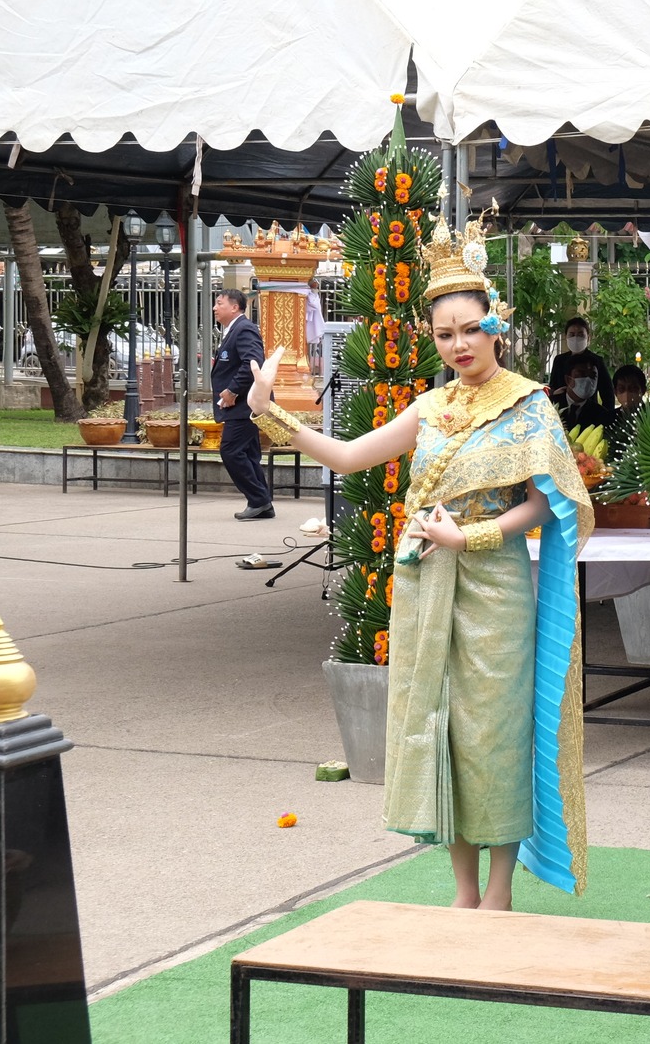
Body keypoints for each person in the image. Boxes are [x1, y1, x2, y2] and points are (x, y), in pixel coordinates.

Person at [244, 218, 591, 912]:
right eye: (444, 334)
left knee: (494, 735)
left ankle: (499, 891)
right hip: (427, 586)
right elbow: (347, 455)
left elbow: (544, 506)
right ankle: (462, 891)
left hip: (493, 590)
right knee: (445, 729)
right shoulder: (428, 408)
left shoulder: (527, 405)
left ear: (495, 325)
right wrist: (269, 412)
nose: (459, 344)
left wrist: (475, 537)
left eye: (470, 329)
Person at [210, 289, 273, 520]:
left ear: (234, 307)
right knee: (247, 453)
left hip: (245, 404)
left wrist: (232, 390)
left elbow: (252, 362)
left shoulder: (244, 328)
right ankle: (262, 503)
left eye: (219, 303)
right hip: (240, 406)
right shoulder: (233, 330)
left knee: (231, 451)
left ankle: (259, 499)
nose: (215, 308)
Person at [547, 317, 612, 408]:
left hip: (590, 412)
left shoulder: (597, 361)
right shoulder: (559, 360)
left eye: (580, 335)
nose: (576, 338)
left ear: (588, 338)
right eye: (572, 334)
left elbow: (608, 393)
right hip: (562, 410)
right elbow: (552, 386)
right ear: (566, 337)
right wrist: (555, 393)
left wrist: (606, 417)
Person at [556, 356, 612, 429]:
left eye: (592, 376)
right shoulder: (548, 405)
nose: (588, 380)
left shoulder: (601, 414)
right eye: (582, 374)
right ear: (568, 379)